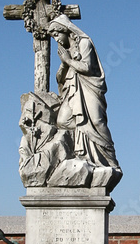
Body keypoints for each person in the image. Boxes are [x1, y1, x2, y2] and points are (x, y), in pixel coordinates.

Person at [47, 15, 121, 176]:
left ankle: (110, 160)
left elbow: (87, 67)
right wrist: (63, 64)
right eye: (53, 37)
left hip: (89, 88)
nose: (56, 40)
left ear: (66, 30)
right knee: (62, 121)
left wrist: (68, 60)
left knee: (96, 121)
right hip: (73, 91)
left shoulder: (84, 43)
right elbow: (61, 78)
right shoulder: (67, 51)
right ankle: (79, 154)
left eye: (57, 35)